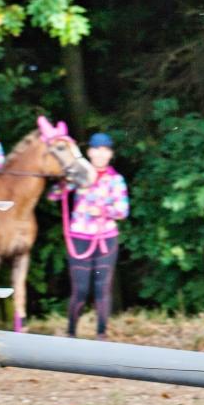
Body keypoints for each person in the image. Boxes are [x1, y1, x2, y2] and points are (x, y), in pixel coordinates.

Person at [49, 132, 130, 339]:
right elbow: (54, 196)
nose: (101, 154)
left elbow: (123, 210)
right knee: (81, 290)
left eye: (105, 150)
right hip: (79, 240)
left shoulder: (116, 180)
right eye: (97, 150)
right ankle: (71, 333)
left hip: (105, 240)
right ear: (90, 152)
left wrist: (103, 211)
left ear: (110, 154)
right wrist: (63, 181)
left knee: (102, 289)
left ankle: (101, 335)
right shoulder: (80, 175)